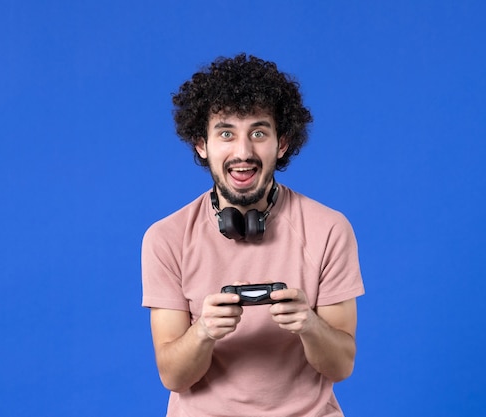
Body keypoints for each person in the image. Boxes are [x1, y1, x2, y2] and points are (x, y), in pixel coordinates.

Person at [141, 53, 365, 417]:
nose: (243, 152)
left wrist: (309, 324)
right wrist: (203, 333)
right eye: (226, 133)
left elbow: (341, 367)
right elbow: (173, 376)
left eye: (258, 133)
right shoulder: (166, 237)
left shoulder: (329, 229)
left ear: (282, 143)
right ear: (201, 144)